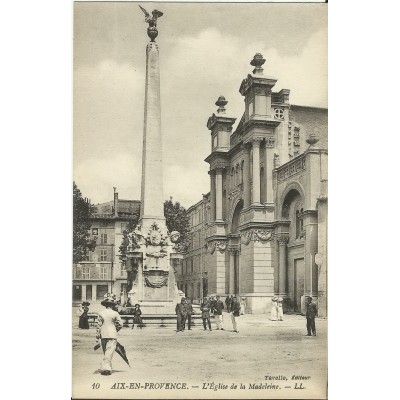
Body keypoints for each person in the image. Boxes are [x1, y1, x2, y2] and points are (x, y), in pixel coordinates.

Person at [96, 295, 123, 375]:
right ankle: (106, 369)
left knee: (106, 351)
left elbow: (98, 326)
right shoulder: (115, 313)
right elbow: (120, 324)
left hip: (103, 334)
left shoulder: (101, 313)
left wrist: (97, 337)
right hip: (112, 334)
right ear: (112, 305)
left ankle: (107, 367)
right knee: (110, 351)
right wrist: (115, 330)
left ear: (105, 305)